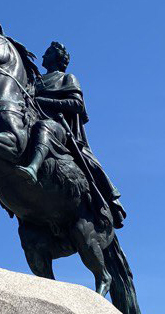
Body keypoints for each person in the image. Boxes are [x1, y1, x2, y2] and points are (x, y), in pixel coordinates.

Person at [15, 42, 127, 228]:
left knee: (45, 128)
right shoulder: (36, 81)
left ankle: (33, 168)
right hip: (31, 124)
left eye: (48, 52)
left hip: (59, 130)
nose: (43, 55)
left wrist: (44, 101)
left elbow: (77, 105)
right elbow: (18, 104)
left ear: (58, 58)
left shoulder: (67, 78)